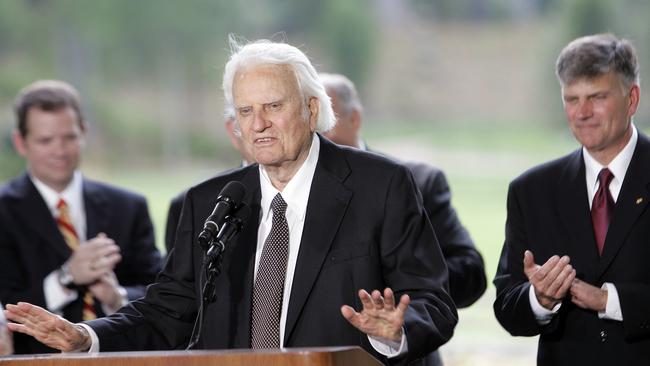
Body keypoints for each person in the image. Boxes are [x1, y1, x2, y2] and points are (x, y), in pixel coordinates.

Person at [5, 39, 457, 365]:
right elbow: (167, 310)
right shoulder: (212, 201)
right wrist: (84, 337)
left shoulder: (381, 185)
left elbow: (433, 301)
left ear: (312, 110)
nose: (257, 124)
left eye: (273, 107)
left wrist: (395, 332)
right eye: (244, 111)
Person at [493, 33, 650, 365]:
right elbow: (507, 306)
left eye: (596, 97)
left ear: (632, 99)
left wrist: (610, 300)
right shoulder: (531, 191)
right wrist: (539, 299)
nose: (582, 112)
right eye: (572, 99)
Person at [320, 72, 486, 366]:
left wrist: (404, 281)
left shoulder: (415, 182)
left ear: (355, 118)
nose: (317, 135)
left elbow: (471, 275)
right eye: (311, 124)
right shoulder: (292, 196)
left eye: (326, 122)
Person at [0, 80, 163, 354]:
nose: (60, 151)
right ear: (21, 142)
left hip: (119, 358)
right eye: (45, 140)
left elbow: (163, 292)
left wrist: (117, 297)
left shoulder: (128, 206)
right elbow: (5, 307)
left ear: (84, 132)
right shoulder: (4, 212)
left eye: (69, 137)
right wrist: (66, 277)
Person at [164, 116, 254, 254]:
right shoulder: (188, 204)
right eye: (247, 111)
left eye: (274, 107)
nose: (260, 124)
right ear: (232, 130)